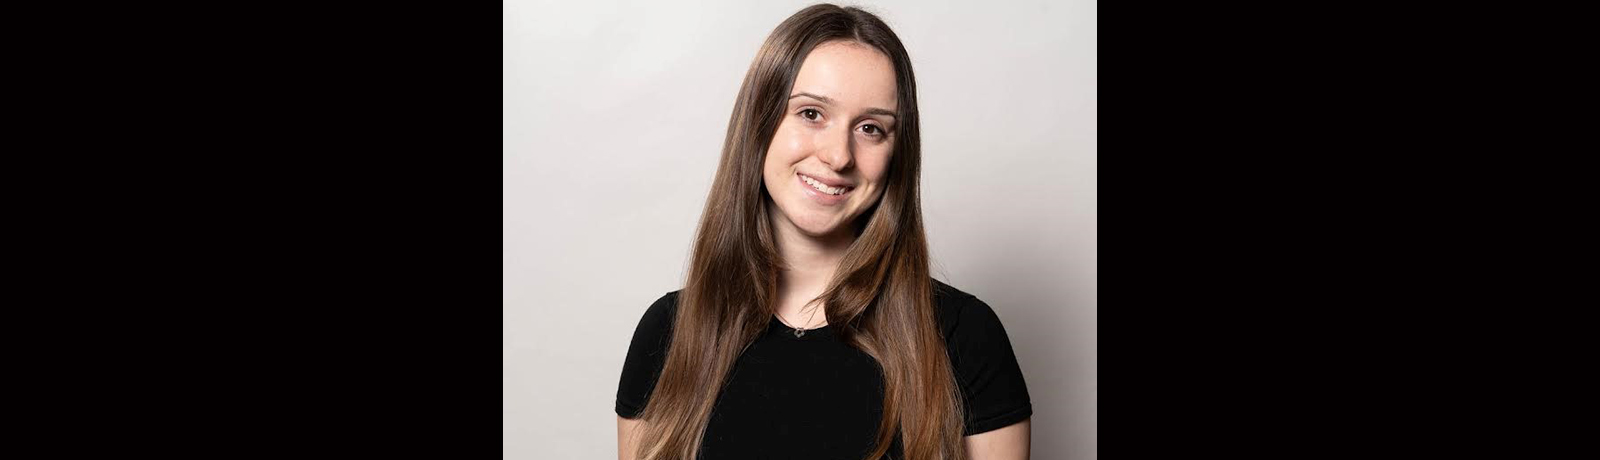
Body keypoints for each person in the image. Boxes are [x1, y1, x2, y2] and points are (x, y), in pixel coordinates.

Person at [615, 4, 1031, 459]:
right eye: (811, 114)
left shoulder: (964, 337)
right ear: (760, 123)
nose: (838, 155)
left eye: (871, 128)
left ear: (898, 154)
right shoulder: (669, 335)